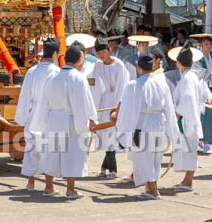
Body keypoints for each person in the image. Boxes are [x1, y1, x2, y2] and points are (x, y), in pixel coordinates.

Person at [35, 45, 97, 199]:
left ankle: (49, 186)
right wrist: (91, 118)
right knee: (72, 154)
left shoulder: (52, 76)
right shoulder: (79, 77)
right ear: (80, 59)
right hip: (72, 119)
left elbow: (44, 101)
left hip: (54, 118)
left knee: (51, 153)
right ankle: (70, 189)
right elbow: (85, 101)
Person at [115, 54, 180, 199]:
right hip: (159, 123)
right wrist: (172, 129)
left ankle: (153, 190)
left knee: (144, 158)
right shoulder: (161, 83)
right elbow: (169, 107)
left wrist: (121, 126)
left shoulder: (133, 85)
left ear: (138, 68)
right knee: (155, 157)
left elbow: (126, 109)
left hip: (141, 125)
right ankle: (150, 187)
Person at [15, 38, 60, 191]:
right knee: (50, 149)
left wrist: (22, 117)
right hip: (50, 114)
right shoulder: (57, 73)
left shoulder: (32, 71)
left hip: (33, 113)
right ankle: (49, 185)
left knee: (31, 149)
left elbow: (24, 95)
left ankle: (31, 182)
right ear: (55, 53)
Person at [171, 46, 212, 192]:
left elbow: (188, 98)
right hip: (188, 117)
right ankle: (186, 180)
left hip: (186, 118)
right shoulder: (191, 76)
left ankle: (188, 182)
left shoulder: (189, 77)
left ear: (178, 63)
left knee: (190, 151)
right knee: (188, 150)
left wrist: (177, 113)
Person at [91, 38, 129, 178]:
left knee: (112, 134)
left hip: (116, 101)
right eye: (99, 53)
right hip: (105, 100)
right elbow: (95, 86)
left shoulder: (119, 65)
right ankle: (104, 166)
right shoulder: (98, 65)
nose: (101, 55)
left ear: (109, 50)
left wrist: (117, 107)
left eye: (103, 52)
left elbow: (123, 86)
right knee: (106, 133)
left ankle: (113, 169)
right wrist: (94, 106)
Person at [194, 34, 212, 154]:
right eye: (206, 44)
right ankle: (204, 142)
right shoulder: (196, 57)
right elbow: (197, 74)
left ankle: (206, 140)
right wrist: (208, 75)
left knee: (211, 115)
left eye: (210, 44)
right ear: (200, 45)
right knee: (204, 116)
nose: (208, 46)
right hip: (202, 89)